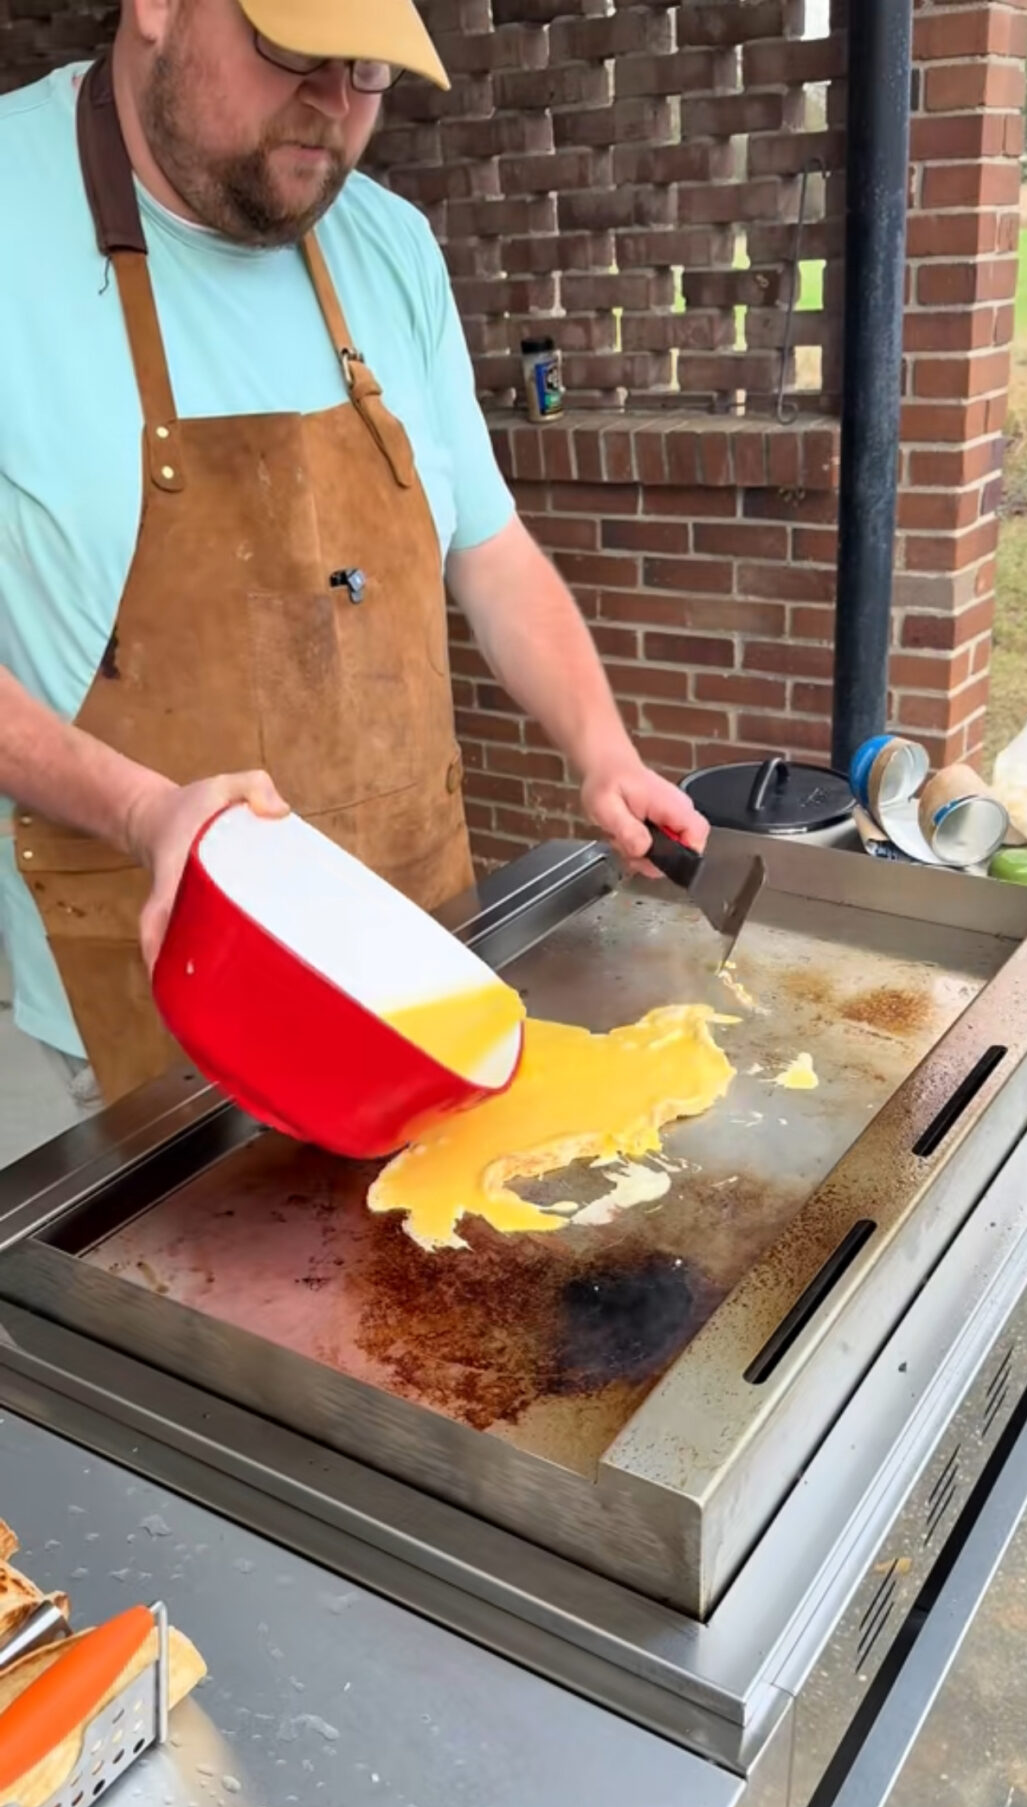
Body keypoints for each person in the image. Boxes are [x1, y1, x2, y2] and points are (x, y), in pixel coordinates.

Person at [0, 0, 707, 1114]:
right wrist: (145, 811)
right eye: (293, 51)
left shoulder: (390, 246)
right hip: (138, 1025)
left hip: (416, 972)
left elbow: (490, 548)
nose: (333, 104)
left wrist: (601, 745)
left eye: (371, 71)